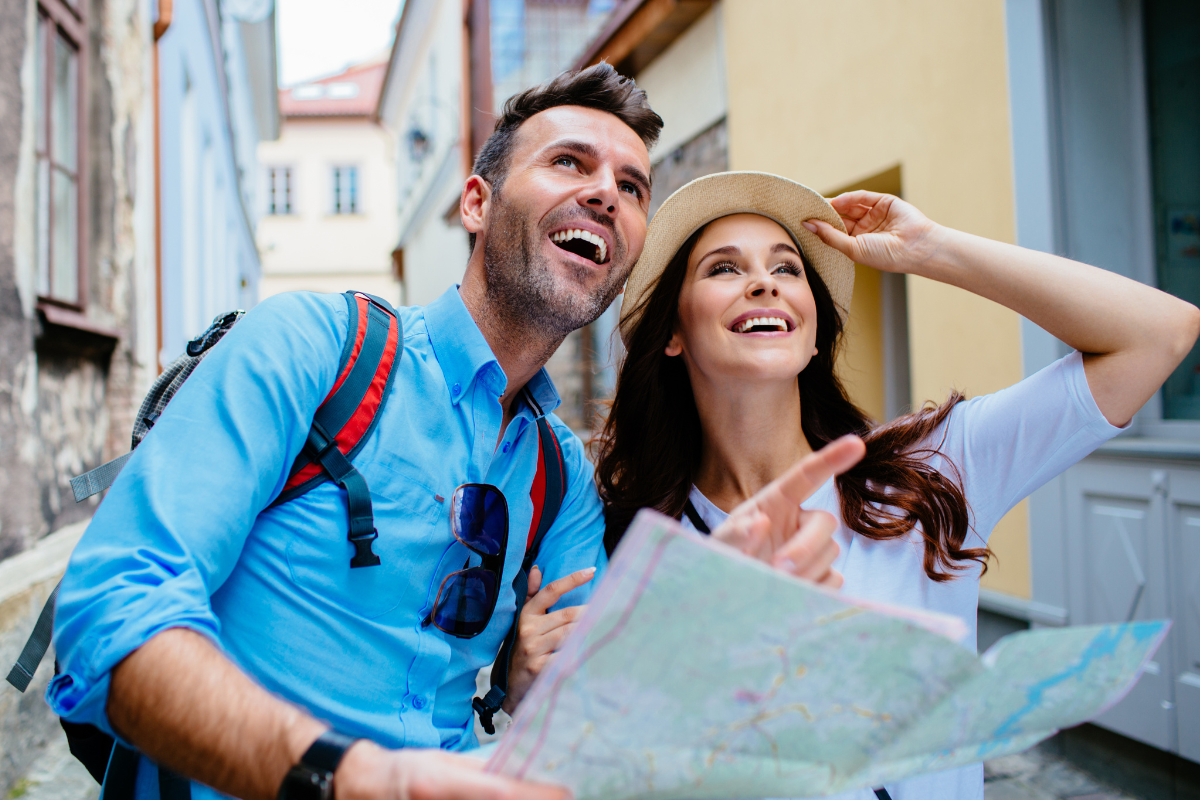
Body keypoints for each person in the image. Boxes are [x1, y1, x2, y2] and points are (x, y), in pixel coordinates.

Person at [47, 69, 856, 800]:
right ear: (477, 203)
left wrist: (711, 623)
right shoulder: (315, 346)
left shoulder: (560, 477)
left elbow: (603, 723)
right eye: (570, 163)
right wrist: (359, 777)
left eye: (632, 186)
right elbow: (108, 614)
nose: (608, 193)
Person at [504, 171, 1200, 800]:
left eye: (787, 269)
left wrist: (933, 250)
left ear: (812, 338)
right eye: (724, 269)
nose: (764, 282)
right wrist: (532, 690)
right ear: (673, 335)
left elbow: (1159, 334)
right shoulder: (631, 541)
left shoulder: (928, 472)